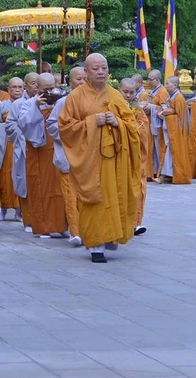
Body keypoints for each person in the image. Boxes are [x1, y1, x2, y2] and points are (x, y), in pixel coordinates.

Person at [58, 53, 141, 263]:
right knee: (94, 198)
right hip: (89, 160)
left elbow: (132, 126)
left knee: (113, 197)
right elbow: (65, 127)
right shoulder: (75, 97)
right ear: (86, 71)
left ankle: (110, 238)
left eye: (104, 68)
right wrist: (93, 121)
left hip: (112, 161)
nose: (101, 72)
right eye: (95, 69)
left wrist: (117, 122)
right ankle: (96, 246)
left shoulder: (115, 95)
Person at [18, 72, 69, 239]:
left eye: (52, 88)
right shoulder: (29, 104)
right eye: (45, 89)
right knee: (41, 188)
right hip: (39, 152)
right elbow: (23, 124)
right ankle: (43, 227)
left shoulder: (60, 102)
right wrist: (36, 106)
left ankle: (61, 224)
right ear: (37, 88)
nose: (49, 92)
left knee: (61, 188)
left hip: (58, 150)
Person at [46, 67, 87, 245]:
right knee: (70, 196)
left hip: (89, 158)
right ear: (70, 82)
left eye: (85, 78)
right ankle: (75, 232)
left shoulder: (95, 101)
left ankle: (88, 230)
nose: (82, 82)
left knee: (87, 196)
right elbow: (51, 125)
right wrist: (70, 133)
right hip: (68, 156)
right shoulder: (63, 102)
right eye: (78, 79)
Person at [6, 73, 37, 232]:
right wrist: (24, 132)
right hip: (24, 147)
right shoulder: (18, 104)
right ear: (26, 85)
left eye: (38, 83)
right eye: (33, 83)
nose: (36, 86)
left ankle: (42, 220)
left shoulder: (47, 101)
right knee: (25, 182)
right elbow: (9, 126)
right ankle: (28, 220)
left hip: (41, 149)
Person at [120, 78, 150, 236]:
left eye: (131, 92)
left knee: (137, 187)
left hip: (135, 156)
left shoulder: (137, 109)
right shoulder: (113, 106)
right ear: (119, 90)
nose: (128, 95)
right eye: (125, 92)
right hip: (119, 154)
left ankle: (135, 223)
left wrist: (130, 129)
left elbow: (143, 128)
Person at [0, 77, 24, 222]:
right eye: (14, 87)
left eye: (20, 87)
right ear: (9, 89)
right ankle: (2, 209)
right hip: (5, 146)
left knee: (20, 177)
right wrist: (7, 126)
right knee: (4, 178)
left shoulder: (27, 104)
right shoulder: (2, 106)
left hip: (20, 145)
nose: (17, 90)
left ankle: (19, 211)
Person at [156, 75, 191, 184]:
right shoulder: (172, 97)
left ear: (175, 85)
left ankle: (166, 176)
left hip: (176, 132)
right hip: (170, 131)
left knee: (172, 154)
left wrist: (168, 114)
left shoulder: (179, 98)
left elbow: (180, 118)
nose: (166, 86)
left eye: (167, 84)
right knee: (169, 154)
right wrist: (165, 111)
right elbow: (173, 111)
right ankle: (168, 175)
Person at [144, 69, 169, 181]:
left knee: (160, 149)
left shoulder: (162, 91)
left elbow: (165, 109)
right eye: (148, 79)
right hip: (153, 124)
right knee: (154, 149)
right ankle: (154, 172)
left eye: (150, 79)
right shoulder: (154, 91)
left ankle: (161, 173)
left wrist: (152, 107)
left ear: (157, 79)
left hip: (159, 126)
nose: (148, 81)